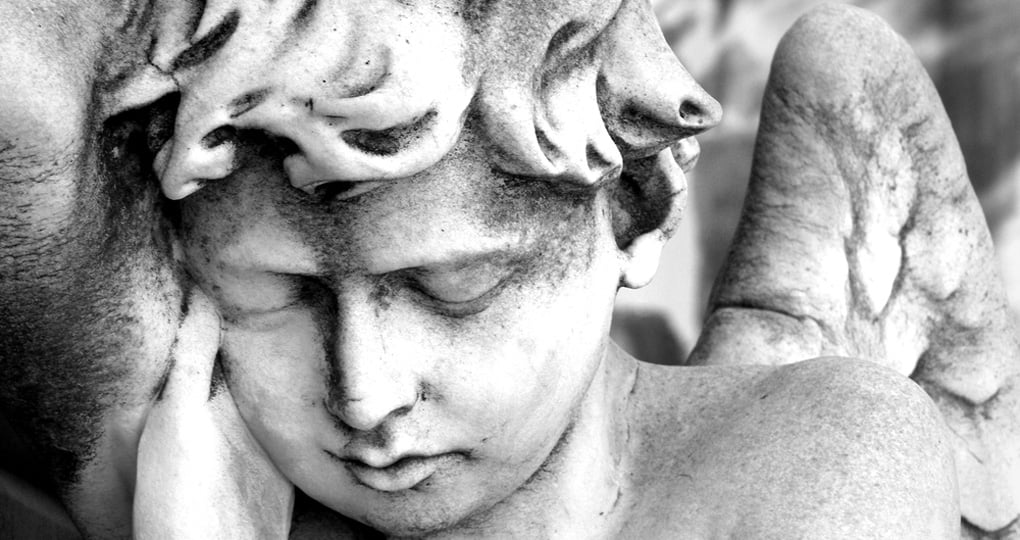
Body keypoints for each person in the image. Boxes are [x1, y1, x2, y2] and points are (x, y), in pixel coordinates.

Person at [0, 0, 966, 537]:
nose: (364, 394)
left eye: (451, 287)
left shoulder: (809, 466)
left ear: (635, 214)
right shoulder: (171, 469)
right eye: (273, 298)